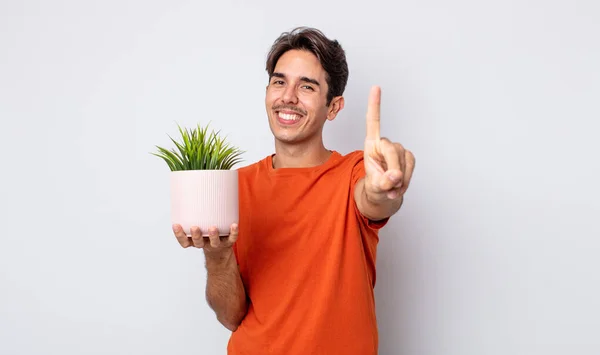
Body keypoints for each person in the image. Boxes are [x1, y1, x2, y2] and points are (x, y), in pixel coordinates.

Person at [172, 27, 415, 355]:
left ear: (333, 107)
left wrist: (383, 189)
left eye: (307, 86)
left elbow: (373, 199)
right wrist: (217, 256)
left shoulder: (355, 172)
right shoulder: (235, 185)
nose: (288, 96)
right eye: (279, 81)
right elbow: (231, 316)